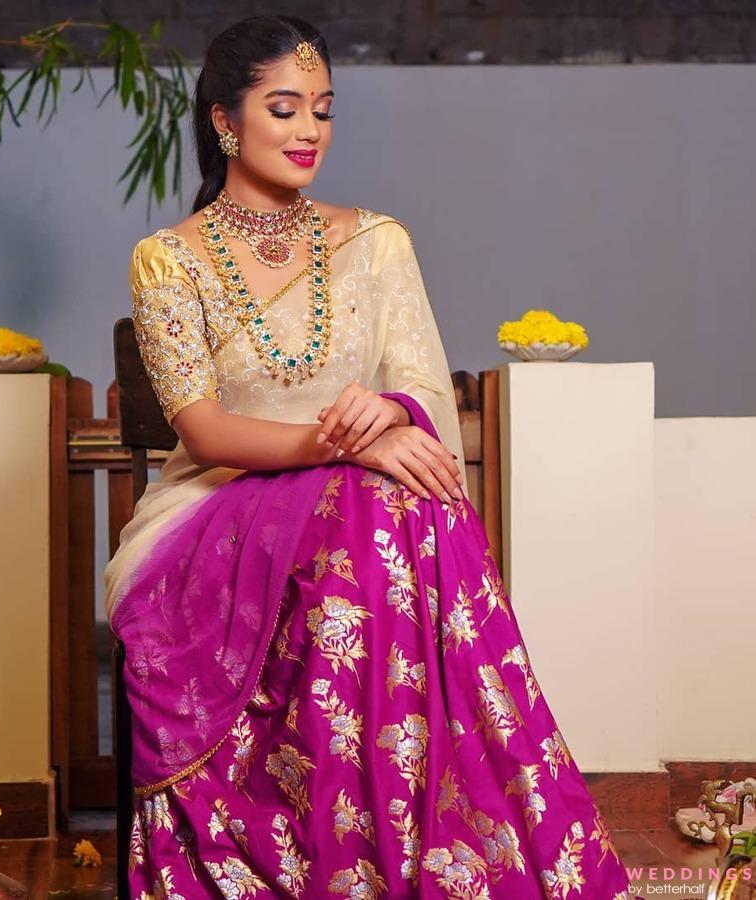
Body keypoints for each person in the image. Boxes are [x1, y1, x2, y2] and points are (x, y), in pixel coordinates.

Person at [104, 14, 634, 899]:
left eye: (323, 109)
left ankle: (397, 846)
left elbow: (424, 398)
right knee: (370, 506)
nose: (310, 130)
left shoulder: (376, 241)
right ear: (226, 121)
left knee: (394, 504)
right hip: (218, 511)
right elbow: (202, 430)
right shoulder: (169, 261)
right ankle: (344, 855)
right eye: (284, 108)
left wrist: (387, 419)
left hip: (361, 503)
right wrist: (338, 442)